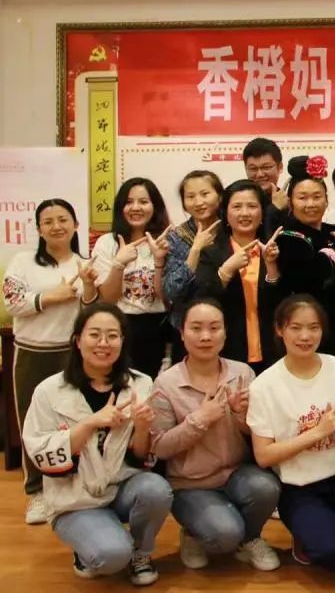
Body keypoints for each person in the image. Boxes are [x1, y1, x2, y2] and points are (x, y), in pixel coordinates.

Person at [21, 303, 172, 585]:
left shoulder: (140, 384)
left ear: (123, 341)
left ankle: (141, 553)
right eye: (95, 335)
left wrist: (142, 427)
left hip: (120, 488)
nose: (104, 343)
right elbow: (40, 455)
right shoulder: (49, 391)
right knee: (111, 557)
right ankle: (91, 546)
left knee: (156, 489)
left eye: (112, 336)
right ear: (78, 341)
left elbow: (141, 457)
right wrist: (90, 423)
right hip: (74, 500)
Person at [246, 296, 335, 573]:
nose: (305, 336)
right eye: (295, 328)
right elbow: (263, 456)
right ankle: (318, 538)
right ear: (279, 329)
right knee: (331, 554)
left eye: (314, 328)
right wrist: (316, 433)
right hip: (300, 487)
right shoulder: (264, 385)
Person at [149, 299, 280, 572]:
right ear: (182, 333)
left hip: (237, 472)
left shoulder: (242, 373)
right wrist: (200, 420)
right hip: (190, 484)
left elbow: (259, 435)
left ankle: (250, 537)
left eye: (214, 328)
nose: (206, 336)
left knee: (266, 488)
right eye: (196, 328)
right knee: (224, 534)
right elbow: (160, 447)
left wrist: (241, 416)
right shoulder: (166, 384)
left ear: (225, 333)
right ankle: (193, 533)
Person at [4, 199, 98, 524]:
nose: (56, 226)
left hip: (72, 354)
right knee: (33, 423)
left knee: (75, 422)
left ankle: (73, 487)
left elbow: (92, 312)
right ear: (39, 229)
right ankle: (37, 492)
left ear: (75, 225)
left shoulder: (84, 263)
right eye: (48, 221)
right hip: (32, 352)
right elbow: (12, 302)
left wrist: (88, 285)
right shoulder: (23, 261)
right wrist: (49, 298)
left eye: (63, 219)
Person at [195, 180, 284, 374]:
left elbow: (282, 304)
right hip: (228, 351)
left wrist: (271, 266)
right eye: (237, 207)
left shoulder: (275, 249)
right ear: (226, 214)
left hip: (273, 351)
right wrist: (226, 271)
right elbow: (202, 299)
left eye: (252, 206)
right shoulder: (211, 253)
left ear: (262, 213)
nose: (244, 213)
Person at [92, 177, 173, 377]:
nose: (135, 207)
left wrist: (159, 260)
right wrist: (119, 264)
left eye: (143, 202)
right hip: (119, 325)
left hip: (159, 326)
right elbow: (108, 299)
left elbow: (167, 298)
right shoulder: (107, 243)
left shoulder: (168, 241)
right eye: (129, 202)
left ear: (155, 206)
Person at [275, 155, 335, 355]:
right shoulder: (286, 236)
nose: (311, 203)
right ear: (291, 202)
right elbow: (312, 275)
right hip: (306, 329)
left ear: (327, 200)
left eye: (317, 197)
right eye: (302, 197)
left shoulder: (334, 230)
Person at [163, 170, 224, 362]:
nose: (198, 202)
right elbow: (172, 291)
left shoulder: (232, 228)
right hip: (188, 328)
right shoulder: (176, 237)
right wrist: (196, 249)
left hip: (227, 323)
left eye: (205, 194)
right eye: (190, 196)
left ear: (220, 196)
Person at [242, 137, 288, 236]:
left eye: (266, 167)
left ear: (280, 167)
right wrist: (274, 209)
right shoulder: (239, 204)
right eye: (253, 169)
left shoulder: (291, 203)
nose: (260, 174)